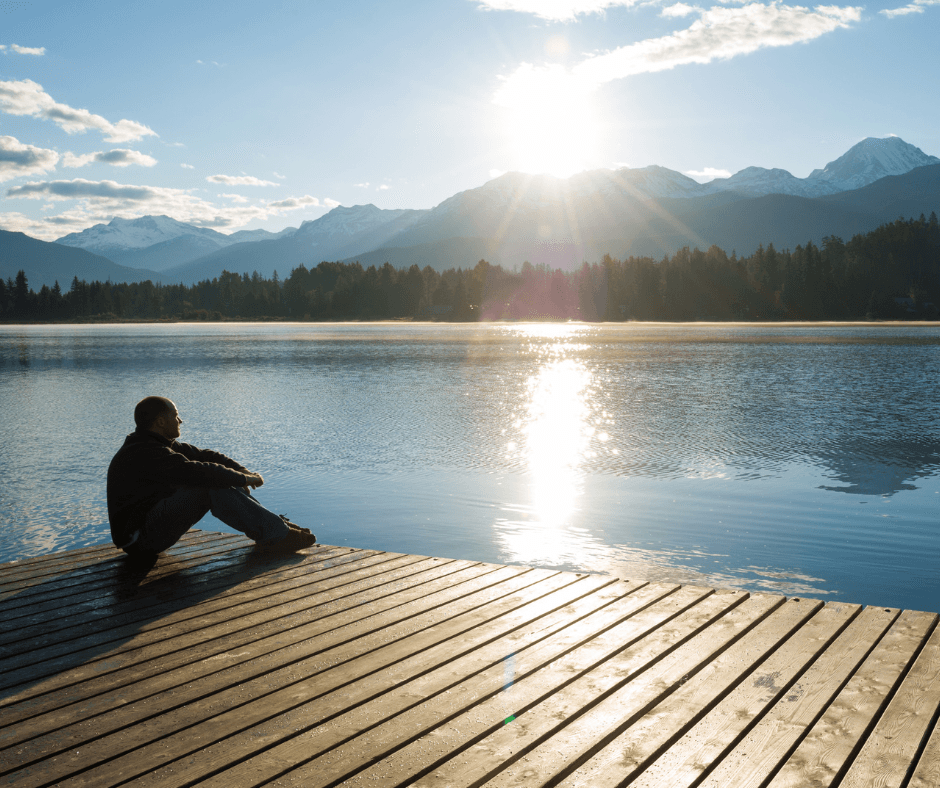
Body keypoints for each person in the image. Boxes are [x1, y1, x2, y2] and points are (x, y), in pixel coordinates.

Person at [107, 396, 316, 556]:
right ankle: (277, 534)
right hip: (138, 540)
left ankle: (275, 530)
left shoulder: (157, 444)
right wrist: (244, 480)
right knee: (209, 484)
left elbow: (207, 456)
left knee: (220, 478)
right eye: (175, 415)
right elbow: (200, 472)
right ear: (161, 422)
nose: (180, 420)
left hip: (148, 531)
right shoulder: (144, 452)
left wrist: (242, 471)